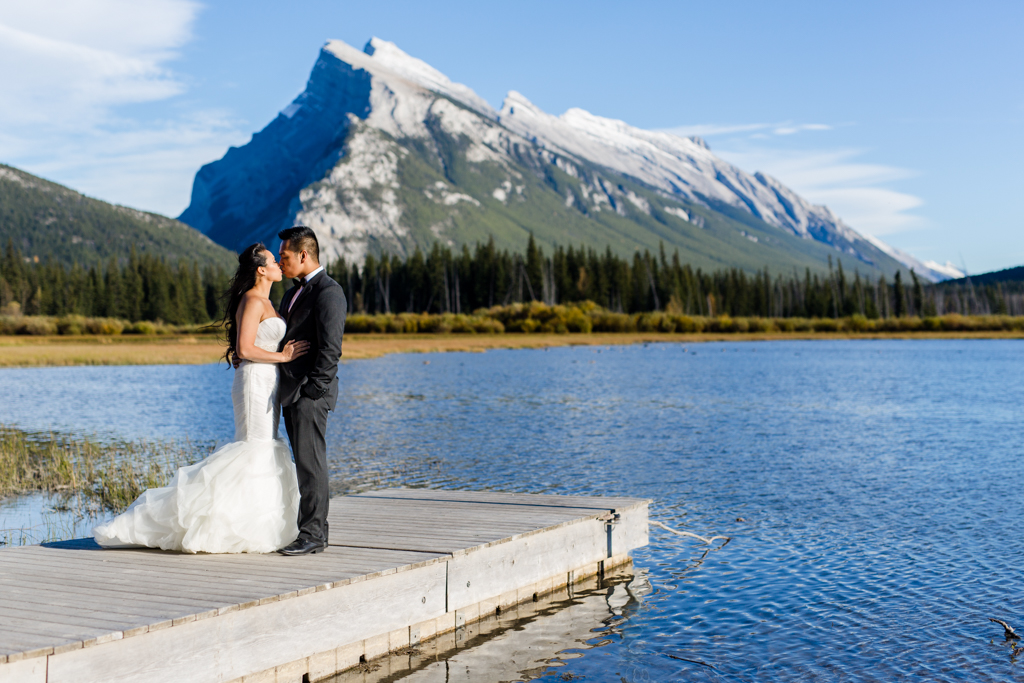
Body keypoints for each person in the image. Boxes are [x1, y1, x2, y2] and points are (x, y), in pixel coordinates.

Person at [93, 244, 309, 553]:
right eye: (273, 261)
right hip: (253, 382)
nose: (278, 264)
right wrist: (283, 356)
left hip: (268, 381)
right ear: (261, 269)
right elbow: (245, 349)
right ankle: (203, 522)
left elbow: (245, 347)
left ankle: (254, 523)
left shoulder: (268, 302)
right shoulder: (252, 300)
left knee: (262, 448)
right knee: (253, 447)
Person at [274, 226, 347, 556]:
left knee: (311, 464)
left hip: (309, 395)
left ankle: (313, 534)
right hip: (292, 394)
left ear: (304, 255)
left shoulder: (329, 292)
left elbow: (331, 350)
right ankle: (315, 531)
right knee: (305, 463)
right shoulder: (291, 294)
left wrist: (313, 392)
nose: (280, 261)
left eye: (284, 256)